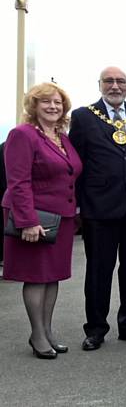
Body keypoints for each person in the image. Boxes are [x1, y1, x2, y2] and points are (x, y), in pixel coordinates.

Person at [69, 67, 126, 350]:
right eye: (109, 81)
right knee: (98, 271)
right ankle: (95, 329)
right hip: (99, 207)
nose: (115, 86)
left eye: (121, 81)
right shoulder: (83, 117)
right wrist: (78, 206)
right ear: (100, 85)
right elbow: (76, 165)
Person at [2, 83, 82, 359]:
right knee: (36, 277)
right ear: (33, 106)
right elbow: (18, 182)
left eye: (58, 102)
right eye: (46, 102)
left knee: (52, 276)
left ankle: (47, 331)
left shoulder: (61, 137)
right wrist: (27, 221)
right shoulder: (22, 135)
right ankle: (37, 334)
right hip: (35, 218)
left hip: (62, 218)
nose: (53, 107)